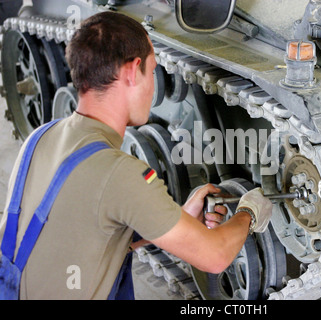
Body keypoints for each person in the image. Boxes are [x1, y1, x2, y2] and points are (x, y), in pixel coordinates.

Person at [0, 11, 272, 299]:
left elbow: (88, 231)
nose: (153, 84)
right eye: (152, 71)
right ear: (132, 71)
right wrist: (248, 212)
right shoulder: (121, 174)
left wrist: (175, 218)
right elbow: (215, 256)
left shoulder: (41, 136)